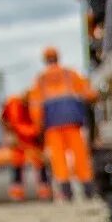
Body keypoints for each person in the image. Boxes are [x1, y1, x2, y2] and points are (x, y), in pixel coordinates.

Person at [28, 46, 99, 201]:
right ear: (58, 57)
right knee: (80, 155)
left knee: (59, 159)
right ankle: (88, 189)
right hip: (72, 121)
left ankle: (67, 192)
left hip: (53, 124)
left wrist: (38, 127)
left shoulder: (41, 79)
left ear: (45, 60)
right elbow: (89, 93)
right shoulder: (70, 74)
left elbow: (35, 106)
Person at [0, 93, 50, 202]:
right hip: (18, 139)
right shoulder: (12, 103)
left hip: (34, 140)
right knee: (17, 164)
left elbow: (42, 125)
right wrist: (9, 134)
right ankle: (17, 194)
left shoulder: (37, 107)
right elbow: (4, 120)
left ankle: (44, 192)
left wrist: (42, 142)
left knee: (40, 164)